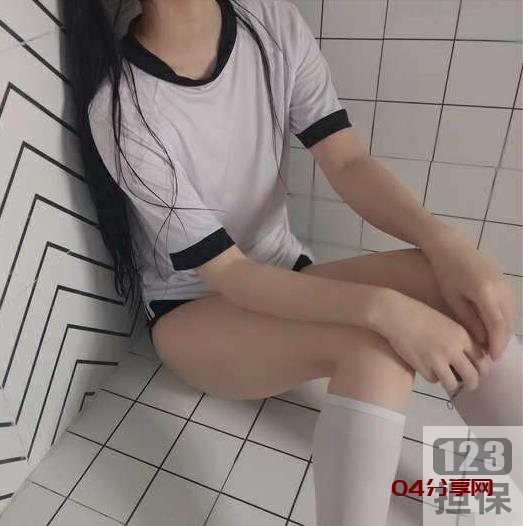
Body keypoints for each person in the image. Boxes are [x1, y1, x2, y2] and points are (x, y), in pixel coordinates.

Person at [65, 0, 522, 523]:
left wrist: (446, 243)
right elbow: (231, 274)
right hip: (195, 311)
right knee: (375, 349)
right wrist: (388, 310)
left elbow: (347, 161)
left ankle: (507, 480)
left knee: (452, 288)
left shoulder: (270, 20)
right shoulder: (122, 105)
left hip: (285, 276)